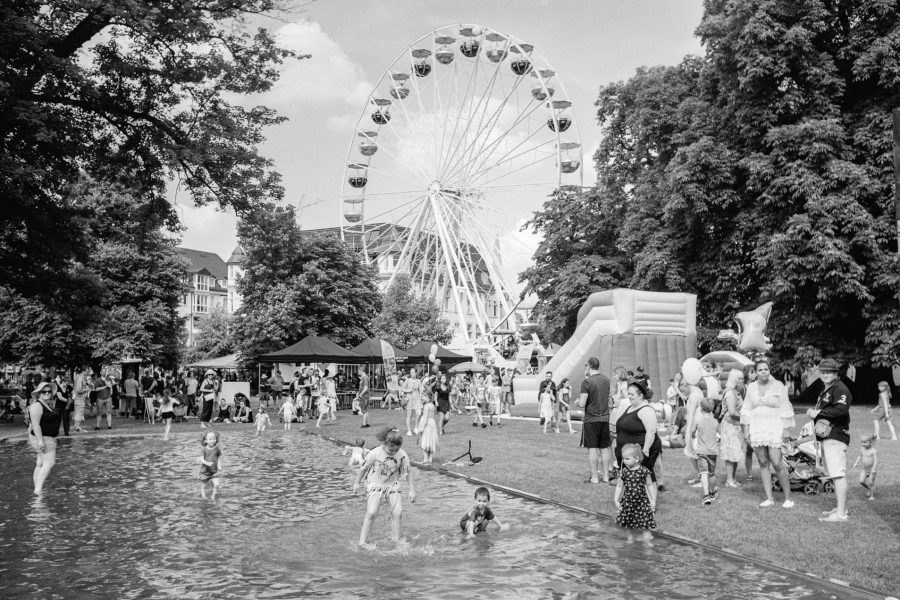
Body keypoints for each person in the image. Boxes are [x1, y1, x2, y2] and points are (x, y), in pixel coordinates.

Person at [352, 428, 417, 549]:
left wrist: (412, 490)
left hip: (392, 485)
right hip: (375, 485)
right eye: (390, 449)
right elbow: (364, 468)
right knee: (371, 513)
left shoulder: (402, 455)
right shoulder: (375, 453)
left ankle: (396, 541)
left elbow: (408, 471)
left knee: (397, 512)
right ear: (383, 444)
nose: (393, 452)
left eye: (396, 449)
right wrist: (356, 483)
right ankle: (362, 542)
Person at [744, 358, 793, 508]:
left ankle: (788, 498)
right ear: (755, 372)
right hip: (757, 428)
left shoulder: (778, 386)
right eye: (760, 370)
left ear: (769, 370)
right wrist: (746, 430)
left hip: (774, 427)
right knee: (763, 462)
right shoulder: (751, 387)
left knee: (777, 461)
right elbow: (746, 410)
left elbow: (785, 407)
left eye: (766, 369)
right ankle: (769, 498)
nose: (763, 372)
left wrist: (785, 429)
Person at [809, 358, 852, 522]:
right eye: (823, 372)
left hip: (836, 435)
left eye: (829, 372)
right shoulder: (827, 389)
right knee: (835, 474)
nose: (826, 374)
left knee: (838, 475)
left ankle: (841, 515)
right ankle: (842, 508)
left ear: (836, 373)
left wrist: (817, 413)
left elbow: (841, 410)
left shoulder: (840, 388)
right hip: (828, 436)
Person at [614, 379, 663, 489]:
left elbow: (651, 432)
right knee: (633, 478)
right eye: (629, 394)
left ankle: (650, 501)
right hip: (628, 451)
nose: (629, 396)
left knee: (647, 476)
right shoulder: (631, 407)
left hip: (641, 450)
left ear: (640, 395)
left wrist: (645, 450)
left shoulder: (646, 410)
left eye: (632, 394)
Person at [577, 357, 613, 484]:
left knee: (592, 448)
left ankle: (594, 477)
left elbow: (582, 403)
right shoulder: (606, 380)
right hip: (604, 418)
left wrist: (577, 402)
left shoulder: (586, 382)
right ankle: (606, 476)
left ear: (589, 366)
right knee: (604, 447)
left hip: (591, 419)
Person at [613, 443, 657, 545]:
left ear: (636, 459)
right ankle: (630, 539)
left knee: (645, 522)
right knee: (629, 522)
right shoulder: (624, 472)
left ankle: (647, 539)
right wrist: (616, 499)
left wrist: (653, 499)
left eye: (627, 459)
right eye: (623, 459)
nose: (624, 461)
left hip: (642, 502)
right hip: (628, 502)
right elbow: (619, 486)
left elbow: (650, 485)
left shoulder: (644, 471)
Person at [28, 382, 61, 494]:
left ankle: (37, 487)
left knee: (40, 463)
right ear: (39, 393)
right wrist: (40, 441)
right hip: (44, 439)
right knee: (49, 463)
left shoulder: (46, 404)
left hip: (46, 438)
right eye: (44, 391)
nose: (47, 393)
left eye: (49, 391)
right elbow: (35, 425)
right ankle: (38, 491)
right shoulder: (37, 405)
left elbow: (32, 426)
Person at [719, 369, 746, 488]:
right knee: (730, 453)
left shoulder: (737, 392)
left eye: (742, 378)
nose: (741, 380)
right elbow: (731, 412)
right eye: (738, 378)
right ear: (732, 379)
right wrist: (747, 417)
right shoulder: (730, 393)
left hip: (737, 425)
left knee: (736, 453)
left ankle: (733, 479)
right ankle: (729, 480)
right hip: (730, 425)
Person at [692, 397, 720, 505]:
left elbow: (692, 431)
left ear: (701, 409)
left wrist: (693, 433)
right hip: (712, 451)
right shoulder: (715, 422)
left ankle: (706, 495)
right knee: (712, 474)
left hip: (702, 451)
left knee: (704, 473)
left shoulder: (698, 421)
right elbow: (720, 433)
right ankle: (712, 493)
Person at [852, 433, 878, 500]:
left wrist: (874, 468)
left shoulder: (873, 451)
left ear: (871, 442)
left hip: (871, 469)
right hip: (864, 469)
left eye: (865, 442)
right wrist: (856, 463)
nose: (863, 444)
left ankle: (872, 496)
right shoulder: (862, 449)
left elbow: (875, 461)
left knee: (871, 482)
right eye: (862, 442)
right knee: (861, 481)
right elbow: (860, 456)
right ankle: (868, 489)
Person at [198, 431, 222, 500]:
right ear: (206, 440)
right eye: (210, 439)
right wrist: (207, 463)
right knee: (204, 486)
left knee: (217, 484)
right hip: (205, 471)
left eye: (214, 439)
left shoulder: (217, 449)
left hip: (214, 471)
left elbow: (218, 458)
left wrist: (219, 466)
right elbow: (201, 459)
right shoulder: (204, 449)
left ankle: (213, 496)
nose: (212, 440)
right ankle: (204, 496)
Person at [417, 396, 439, 464]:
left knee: (425, 441)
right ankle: (430, 458)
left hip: (427, 424)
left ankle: (425, 458)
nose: (422, 398)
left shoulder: (426, 406)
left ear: (428, 398)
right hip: (432, 423)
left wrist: (421, 428)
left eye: (423, 397)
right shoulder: (432, 405)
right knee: (431, 440)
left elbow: (425, 417)